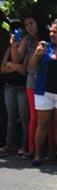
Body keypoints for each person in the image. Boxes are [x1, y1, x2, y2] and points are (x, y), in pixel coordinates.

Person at [27, 18, 57, 167]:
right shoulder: (44, 47)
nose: (51, 34)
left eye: (55, 31)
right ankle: (37, 155)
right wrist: (36, 55)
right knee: (42, 124)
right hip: (44, 92)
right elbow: (30, 67)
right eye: (51, 31)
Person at [13, 15, 51, 159]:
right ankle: (31, 148)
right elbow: (17, 58)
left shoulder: (49, 38)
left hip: (48, 80)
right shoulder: (26, 40)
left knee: (49, 119)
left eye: (31, 23)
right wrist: (13, 45)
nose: (29, 27)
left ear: (38, 23)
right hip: (33, 80)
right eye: (26, 24)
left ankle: (49, 150)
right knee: (34, 116)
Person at [0, 21, 29, 156]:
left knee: (24, 118)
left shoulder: (27, 49)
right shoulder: (8, 49)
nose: (17, 36)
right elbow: (2, 68)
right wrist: (12, 65)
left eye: (20, 34)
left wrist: (10, 64)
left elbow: (22, 70)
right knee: (11, 118)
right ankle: (9, 144)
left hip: (22, 87)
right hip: (9, 86)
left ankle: (25, 145)